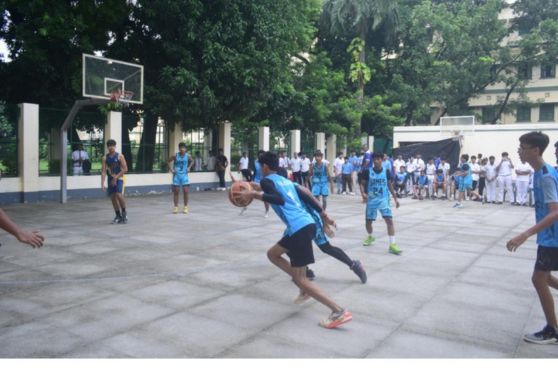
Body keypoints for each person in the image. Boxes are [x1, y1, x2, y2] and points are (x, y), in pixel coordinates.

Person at [234, 151, 352, 329]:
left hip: (299, 228)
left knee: (300, 278)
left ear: (265, 167)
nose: (259, 168)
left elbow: (278, 199)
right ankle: (304, 286)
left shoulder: (268, 181)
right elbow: (303, 195)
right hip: (305, 225)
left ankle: (338, 311)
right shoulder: (285, 180)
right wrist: (253, 186)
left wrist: (253, 194)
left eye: (259, 165)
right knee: (273, 254)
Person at [507, 131, 558, 344]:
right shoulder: (539, 173)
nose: (520, 151)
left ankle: (552, 330)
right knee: (544, 277)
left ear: (535, 150)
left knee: (538, 278)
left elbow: (555, 211)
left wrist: (524, 235)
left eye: (523, 147)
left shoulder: (546, 175)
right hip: (548, 237)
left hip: (552, 238)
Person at [362, 152, 401, 255]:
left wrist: (395, 198)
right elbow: (362, 184)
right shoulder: (367, 172)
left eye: (378, 159)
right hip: (371, 200)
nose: (376, 161)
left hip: (383, 199)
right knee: (368, 222)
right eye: (374, 159)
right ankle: (370, 236)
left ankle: (392, 244)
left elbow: (389, 185)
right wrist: (363, 194)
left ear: (382, 160)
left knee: (389, 220)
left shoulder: (386, 171)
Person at [101, 139, 128, 224]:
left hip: (119, 178)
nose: (111, 147)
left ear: (115, 146)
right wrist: (102, 183)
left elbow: (125, 169)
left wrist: (116, 177)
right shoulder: (105, 158)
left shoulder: (120, 156)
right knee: (112, 197)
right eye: (109, 146)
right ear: (107, 147)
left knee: (119, 195)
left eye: (112, 145)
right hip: (111, 179)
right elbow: (104, 171)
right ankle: (118, 215)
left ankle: (124, 213)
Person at [167, 142, 194, 214]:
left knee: (186, 191)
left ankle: (185, 207)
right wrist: (171, 169)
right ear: (179, 148)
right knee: (176, 191)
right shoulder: (175, 155)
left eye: (183, 148)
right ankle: (176, 207)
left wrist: (189, 167)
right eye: (181, 148)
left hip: (184, 176)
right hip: (177, 176)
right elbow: (168, 161)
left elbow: (192, 161)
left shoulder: (188, 156)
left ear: (185, 149)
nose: (182, 149)